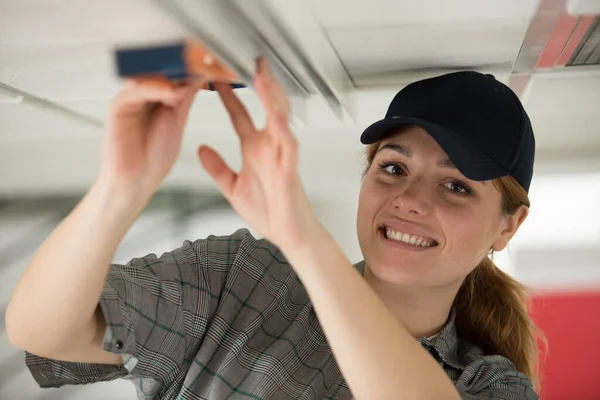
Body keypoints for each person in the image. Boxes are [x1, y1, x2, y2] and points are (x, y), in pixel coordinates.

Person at [6, 58, 542, 400]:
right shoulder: (243, 280)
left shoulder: (489, 387)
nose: (409, 202)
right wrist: (121, 187)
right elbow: (45, 332)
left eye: (456, 187)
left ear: (508, 226)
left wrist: (306, 241)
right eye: (393, 168)